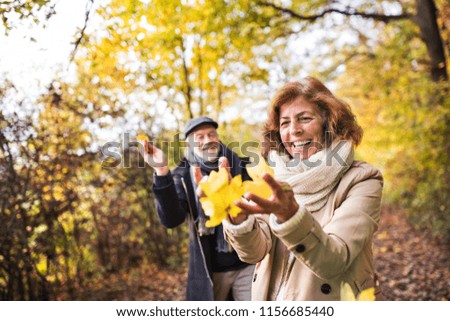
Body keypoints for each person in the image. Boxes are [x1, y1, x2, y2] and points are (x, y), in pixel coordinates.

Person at [222, 77, 384, 300]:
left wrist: (291, 217)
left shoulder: (363, 179)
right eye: (284, 123)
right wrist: (238, 220)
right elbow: (254, 253)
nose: (293, 131)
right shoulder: (271, 177)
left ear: (329, 123)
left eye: (304, 118)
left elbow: (335, 260)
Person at [138, 116, 254, 301]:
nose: (207, 140)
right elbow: (171, 219)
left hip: (248, 263)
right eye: (199, 137)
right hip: (210, 270)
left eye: (211, 134)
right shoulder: (182, 175)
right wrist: (161, 170)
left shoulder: (241, 165)